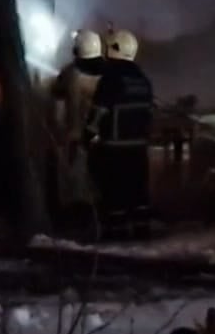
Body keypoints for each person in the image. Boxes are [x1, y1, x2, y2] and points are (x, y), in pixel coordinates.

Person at [88, 30, 156, 227]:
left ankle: (116, 231)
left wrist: (87, 135)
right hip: (139, 147)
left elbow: (98, 112)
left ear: (114, 49)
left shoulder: (110, 79)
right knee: (139, 191)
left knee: (114, 193)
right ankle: (141, 228)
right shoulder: (143, 79)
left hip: (114, 147)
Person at [47, 30, 106, 213]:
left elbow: (55, 91)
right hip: (102, 135)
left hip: (75, 136)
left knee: (74, 181)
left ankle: (76, 213)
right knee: (98, 180)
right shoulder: (108, 73)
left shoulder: (70, 73)